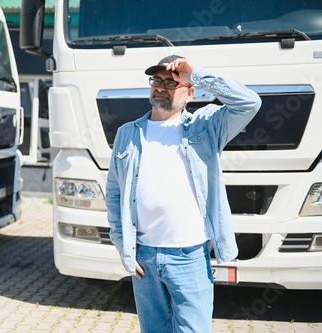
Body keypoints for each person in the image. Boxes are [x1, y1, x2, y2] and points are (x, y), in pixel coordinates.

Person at [105, 55, 262, 333]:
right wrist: (122, 244)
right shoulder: (127, 133)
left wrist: (196, 73)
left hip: (188, 255)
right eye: (157, 81)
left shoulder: (206, 126)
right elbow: (115, 193)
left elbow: (250, 102)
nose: (161, 88)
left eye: (171, 82)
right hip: (144, 257)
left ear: (189, 92)